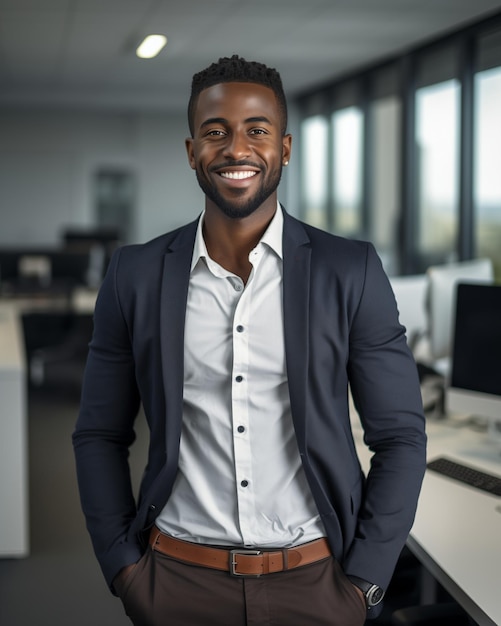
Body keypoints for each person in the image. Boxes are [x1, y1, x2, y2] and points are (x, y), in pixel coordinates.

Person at [73, 55, 427, 626]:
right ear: (192, 152)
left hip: (317, 584)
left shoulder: (350, 270)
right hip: (175, 582)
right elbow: (98, 433)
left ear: (284, 147)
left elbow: (402, 436)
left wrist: (365, 581)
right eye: (216, 132)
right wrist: (123, 569)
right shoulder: (133, 275)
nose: (236, 149)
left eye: (256, 130)